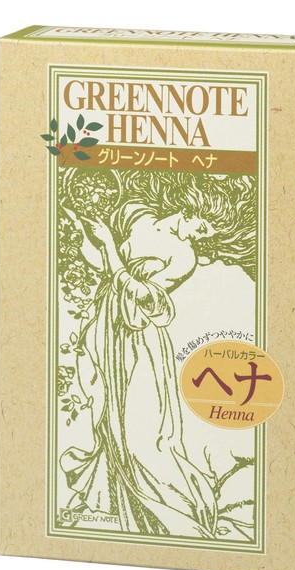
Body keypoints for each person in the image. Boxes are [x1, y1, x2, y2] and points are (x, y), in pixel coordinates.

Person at [59, 197, 220, 538]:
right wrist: (81, 230)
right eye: (202, 227)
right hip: (109, 330)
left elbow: (145, 298)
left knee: (143, 434)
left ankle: (173, 512)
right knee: (111, 421)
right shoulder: (137, 214)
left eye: (204, 235)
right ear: (192, 210)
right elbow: (106, 266)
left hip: (142, 339)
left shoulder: (185, 256)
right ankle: (120, 507)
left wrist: (108, 244)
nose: (200, 236)